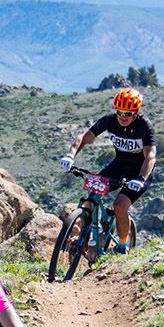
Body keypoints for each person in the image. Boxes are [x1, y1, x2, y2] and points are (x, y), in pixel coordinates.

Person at [60, 87, 155, 253]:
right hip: (118, 166)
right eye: (120, 111)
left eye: (128, 113)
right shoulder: (110, 121)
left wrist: (141, 179)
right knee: (90, 198)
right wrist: (70, 155)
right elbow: (84, 137)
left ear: (136, 112)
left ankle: (122, 245)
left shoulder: (144, 126)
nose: (123, 116)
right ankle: (84, 237)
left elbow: (150, 156)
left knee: (119, 206)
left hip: (139, 172)